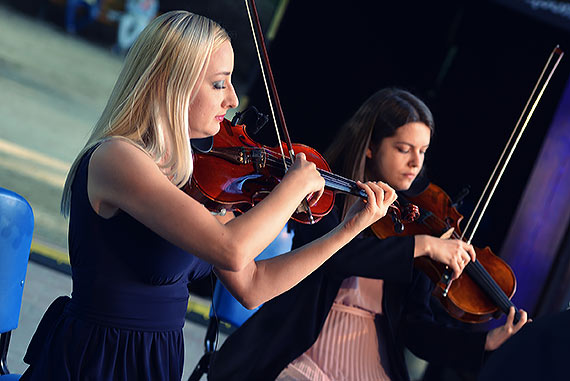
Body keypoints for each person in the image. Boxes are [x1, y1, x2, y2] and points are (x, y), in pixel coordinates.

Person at [19, 11, 397, 381]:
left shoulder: (197, 177)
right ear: (171, 82)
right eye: (219, 83)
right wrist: (292, 186)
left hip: (157, 358)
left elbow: (253, 286)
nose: (233, 100)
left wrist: (349, 229)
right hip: (99, 358)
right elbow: (230, 248)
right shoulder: (117, 158)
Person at [208, 88, 529, 381]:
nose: (416, 163)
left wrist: (484, 343)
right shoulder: (323, 194)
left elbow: (415, 329)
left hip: (372, 364)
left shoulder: (416, 219)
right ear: (372, 147)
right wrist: (419, 246)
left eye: (423, 151)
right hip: (300, 353)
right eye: (404, 149)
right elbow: (334, 257)